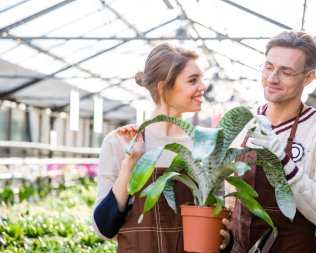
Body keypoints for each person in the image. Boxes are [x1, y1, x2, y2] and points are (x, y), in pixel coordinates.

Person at [92, 42, 230, 252]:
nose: (203, 86)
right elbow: (103, 229)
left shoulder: (205, 144)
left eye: (202, 78)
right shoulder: (121, 141)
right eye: (193, 80)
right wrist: (130, 164)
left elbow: (221, 219)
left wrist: (226, 238)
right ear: (163, 86)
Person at [227, 30, 316, 252]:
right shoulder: (244, 123)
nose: (272, 78)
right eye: (269, 67)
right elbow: (229, 203)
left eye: (286, 72)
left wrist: (284, 163)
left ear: (308, 77)